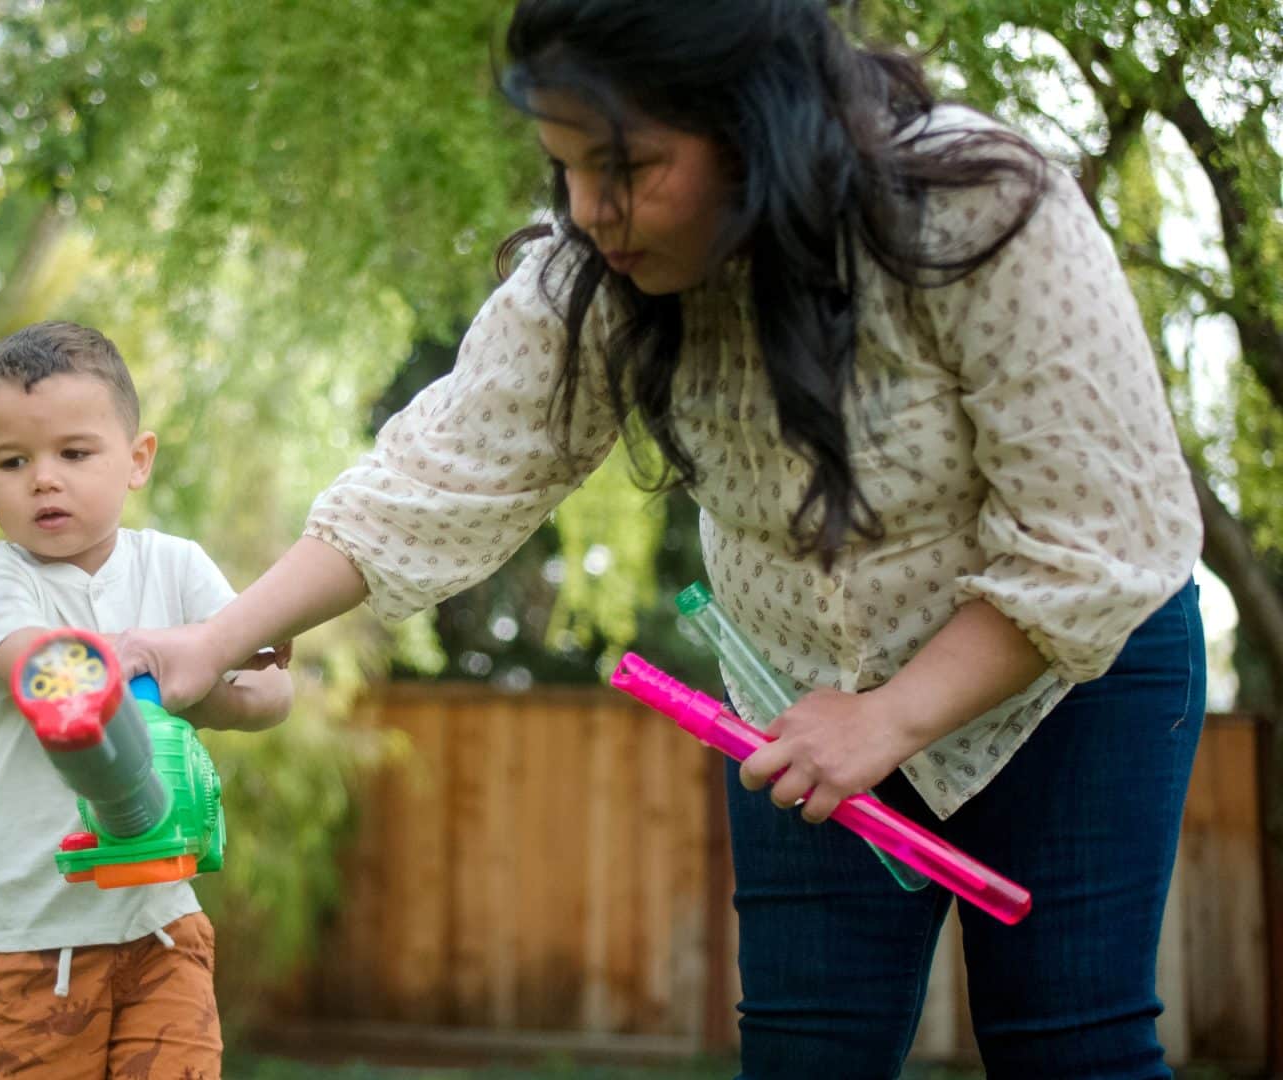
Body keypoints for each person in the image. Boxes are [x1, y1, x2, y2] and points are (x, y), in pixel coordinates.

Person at [117, 2, 1205, 1076]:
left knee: (1070, 1045)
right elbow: (438, 476)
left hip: (1065, 673)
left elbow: (1091, 539)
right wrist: (214, 640)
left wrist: (891, 719)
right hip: (799, 701)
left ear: (754, 123)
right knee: (803, 1059)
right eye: (565, 167)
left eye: (628, 167)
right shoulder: (591, 274)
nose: (591, 210)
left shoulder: (975, 209)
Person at [0, 320, 292, 1079]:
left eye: (74, 453)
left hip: (159, 924)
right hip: (28, 941)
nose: (44, 478)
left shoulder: (176, 565)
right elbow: (33, 664)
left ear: (137, 461)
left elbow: (272, 689)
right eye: (13, 461)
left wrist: (209, 693)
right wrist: (135, 665)